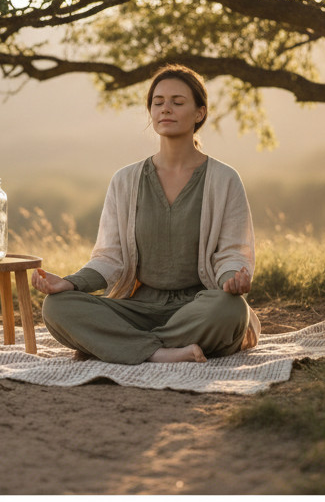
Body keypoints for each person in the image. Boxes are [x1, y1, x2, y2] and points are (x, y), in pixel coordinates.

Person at [32, 64, 259, 364]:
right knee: (57, 306)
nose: (166, 108)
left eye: (178, 102)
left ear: (199, 113)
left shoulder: (224, 179)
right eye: (158, 102)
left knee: (231, 310)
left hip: (198, 308)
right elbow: (110, 257)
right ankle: (160, 352)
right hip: (137, 308)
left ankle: (117, 344)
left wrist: (233, 280)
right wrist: (71, 284)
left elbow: (232, 252)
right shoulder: (125, 180)